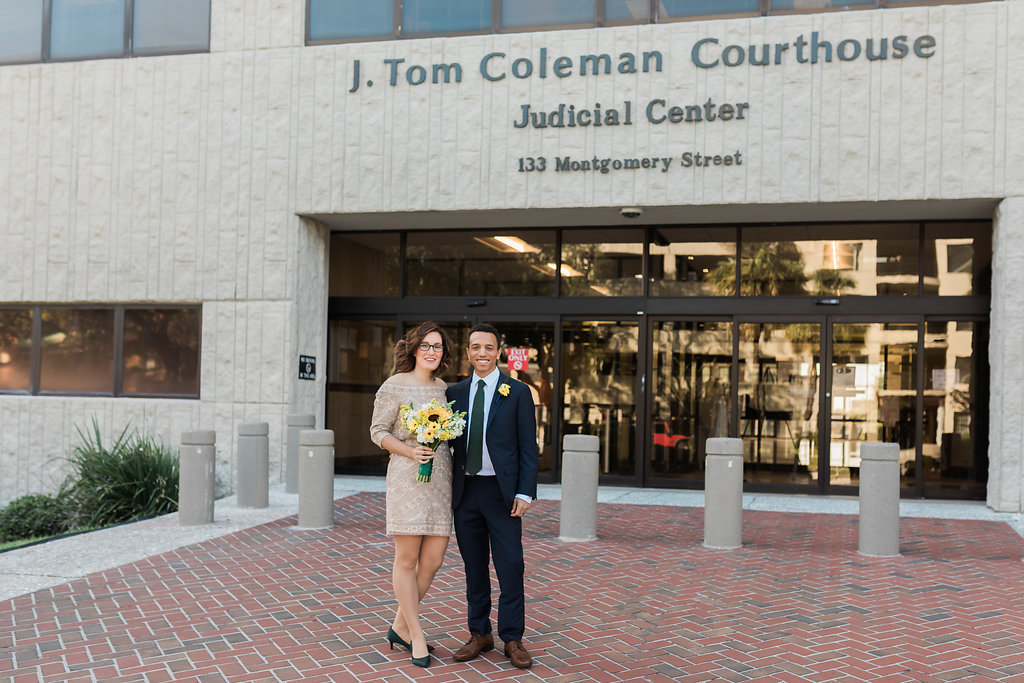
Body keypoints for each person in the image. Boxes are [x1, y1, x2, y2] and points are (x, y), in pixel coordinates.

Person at [446, 323, 539, 669]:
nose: (482, 353)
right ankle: (479, 633)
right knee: (474, 568)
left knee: (510, 566)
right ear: (468, 352)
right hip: (466, 492)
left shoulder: (517, 392)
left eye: (488, 347)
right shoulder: (454, 392)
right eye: (475, 347)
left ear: (498, 352)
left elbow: (529, 448)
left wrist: (525, 492)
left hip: (502, 495)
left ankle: (512, 638)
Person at [369, 321, 455, 669]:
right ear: (414, 348)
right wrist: (409, 452)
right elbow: (377, 431)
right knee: (407, 560)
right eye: (427, 345)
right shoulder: (394, 385)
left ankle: (400, 626)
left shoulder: (443, 388)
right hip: (407, 477)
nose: (432, 351)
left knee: (433, 559)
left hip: (440, 479)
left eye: (438, 346)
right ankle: (415, 634)